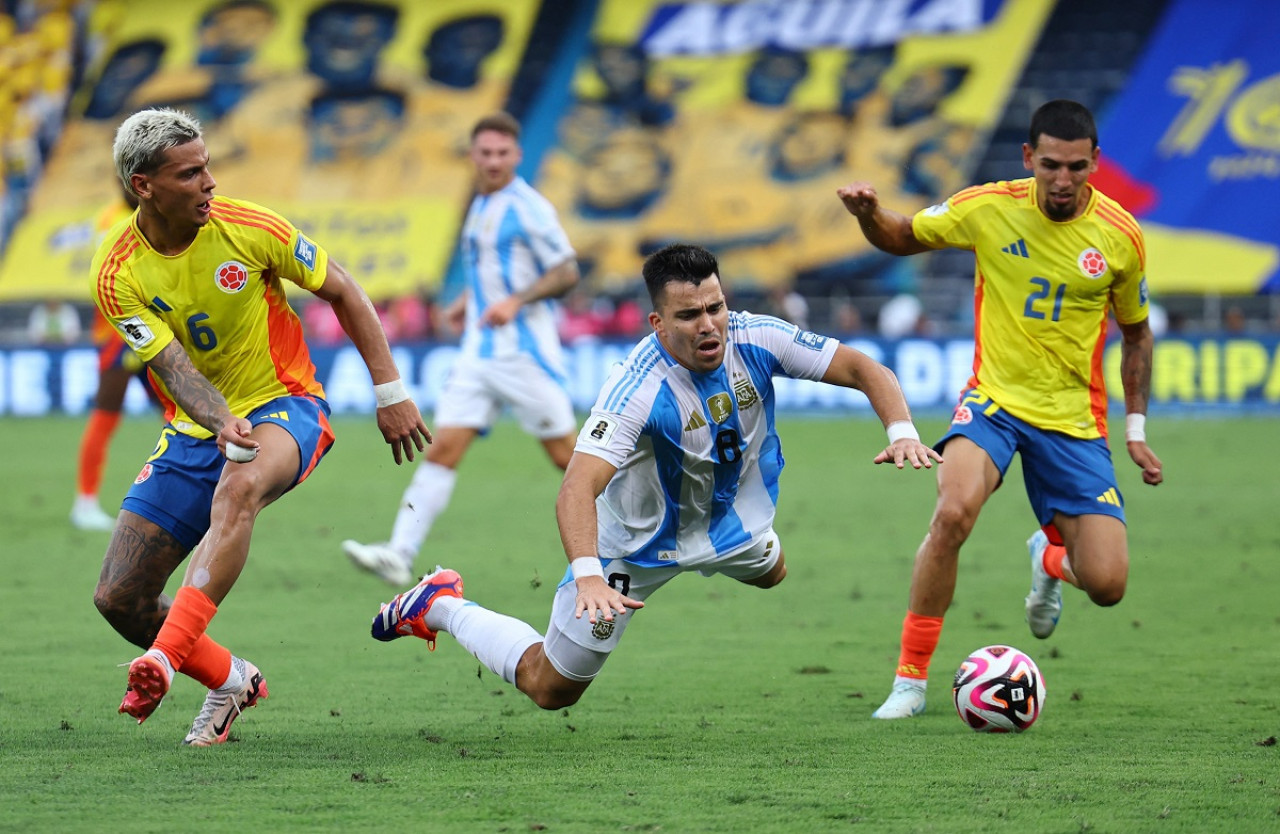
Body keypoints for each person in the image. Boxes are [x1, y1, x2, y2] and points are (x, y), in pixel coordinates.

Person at [365, 243, 941, 713]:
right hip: (634, 550)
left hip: (730, 526)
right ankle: (441, 603)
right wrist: (590, 577)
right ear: (658, 322)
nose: (709, 325)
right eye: (690, 316)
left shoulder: (756, 336)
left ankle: (739, 546)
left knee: (774, 574)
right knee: (551, 690)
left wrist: (901, 432)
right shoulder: (636, 387)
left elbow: (866, 369)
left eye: (715, 307)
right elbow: (576, 487)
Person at [91, 107, 430, 745]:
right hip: (198, 429)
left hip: (288, 404)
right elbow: (173, 365)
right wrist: (220, 421)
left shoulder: (250, 227)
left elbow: (345, 292)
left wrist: (391, 392)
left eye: (208, 166)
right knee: (119, 598)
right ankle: (229, 679)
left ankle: (162, 660)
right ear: (145, 186)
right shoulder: (117, 274)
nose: (210, 183)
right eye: (190, 174)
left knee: (239, 487)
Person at [836, 99, 1164, 720]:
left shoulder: (1121, 237)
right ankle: (909, 680)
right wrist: (869, 214)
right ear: (1028, 159)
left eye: (1075, 167)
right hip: (995, 401)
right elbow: (903, 236)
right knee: (953, 511)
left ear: (1095, 162)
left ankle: (1045, 558)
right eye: (1050, 165)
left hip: (1074, 420)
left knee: (1108, 585)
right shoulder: (989, 206)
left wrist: (1136, 428)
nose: (1062, 180)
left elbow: (1137, 333)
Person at [342, 112, 580, 586]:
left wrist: (516, 301)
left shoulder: (527, 207)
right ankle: (399, 552)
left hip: (523, 355)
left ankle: (646, 519)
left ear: (517, 156)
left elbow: (567, 270)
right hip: (478, 354)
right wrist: (469, 302)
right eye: (484, 153)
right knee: (442, 450)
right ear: (473, 156)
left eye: (502, 153)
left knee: (567, 458)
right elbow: (497, 269)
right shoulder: (482, 203)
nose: (492, 161)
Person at [71, 186, 145, 531]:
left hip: (159, 328)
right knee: (106, 412)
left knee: (184, 413)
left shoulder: (153, 213)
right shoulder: (113, 219)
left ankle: (199, 493)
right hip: (120, 332)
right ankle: (85, 502)